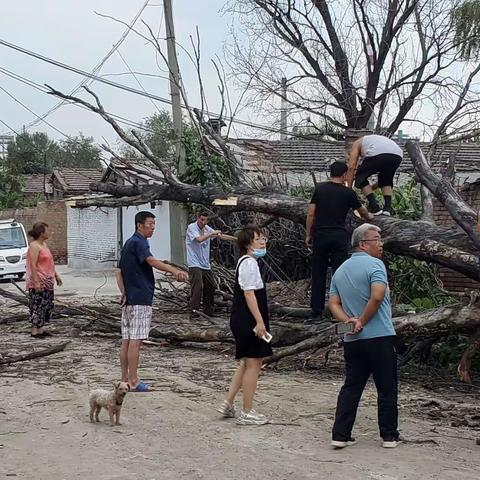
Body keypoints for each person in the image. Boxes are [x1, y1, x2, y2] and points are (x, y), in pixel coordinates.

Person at [328, 223, 400, 449]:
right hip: (379, 336)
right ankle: (389, 435)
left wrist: (348, 321)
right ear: (362, 243)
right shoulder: (375, 264)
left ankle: (340, 434)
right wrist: (363, 320)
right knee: (386, 387)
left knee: (352, 386)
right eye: (377, 239)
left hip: (353, 338)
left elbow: (333, 303)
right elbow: (377, 296)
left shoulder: (340, 270)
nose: (381, 243)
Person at [116, 211, 188, 392]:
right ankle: (133, 380)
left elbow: (118, 272)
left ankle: (124, 378)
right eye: (150, 223)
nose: (153, 227)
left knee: (126, 339)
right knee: (135, 340)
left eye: (154, 224)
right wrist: (174, 271)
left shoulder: (128, 243)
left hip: (130, 298)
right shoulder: (139, 242)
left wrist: (123, 292)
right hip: (140, 298)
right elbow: (152, 261)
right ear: (140, 225)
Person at [217, 226, 272, 425]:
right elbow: (249, 294)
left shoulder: (246, 262)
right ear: (248, 244)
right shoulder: (249, 263)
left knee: (245, 363)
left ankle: (227, 403)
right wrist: (259, 321)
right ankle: (247, 411)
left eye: (263, 238)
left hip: (243, 318)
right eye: (258, 239)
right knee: (254, 364)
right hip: (248, 320)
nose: (263, 242)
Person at [306, 161, 371, 322]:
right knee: (340, 274)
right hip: (339, 236)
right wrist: (371, 217)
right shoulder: (347, 193)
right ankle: (340, 313)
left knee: (318, 274)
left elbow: (310, 214)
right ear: (343, 175)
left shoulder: (319, 189)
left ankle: (316, 313)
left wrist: (308, 234)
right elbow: (362, 211)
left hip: (320, 235)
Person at [186, 211, 236, 318]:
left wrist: (236, 239)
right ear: (198, 218)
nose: (203, 222)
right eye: (201, 219)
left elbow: (220, 236)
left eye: (205, 220)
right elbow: (199, 239)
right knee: (198, 286)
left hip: (205, 263)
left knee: (211, 285)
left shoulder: (208, 229)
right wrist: (211, 234)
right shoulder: (192, 227)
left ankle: (208, 310)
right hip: (194, 262)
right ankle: (194, 312)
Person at [347, 134, 403, 215]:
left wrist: (348, 189)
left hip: (378, 152)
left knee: (360, 177)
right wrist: (371, 188)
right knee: (386, 179)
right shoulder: (371, 140)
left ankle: (374, 207)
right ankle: (387, 208)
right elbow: (380, 181)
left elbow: (351, 166)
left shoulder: (356, 144)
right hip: (397, 154)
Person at [25, 222, 63, 338]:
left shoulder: (44, 245)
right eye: (47, 230)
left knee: (46, 305)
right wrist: (36, 281)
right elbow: (33, 264)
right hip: (39, 280)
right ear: (41, 233)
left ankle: (41, 329)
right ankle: (34, 331)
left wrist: (56, 275)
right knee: (37, 305)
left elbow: (50, 262)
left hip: (48, 281)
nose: (49, 232)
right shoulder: (34, 246)